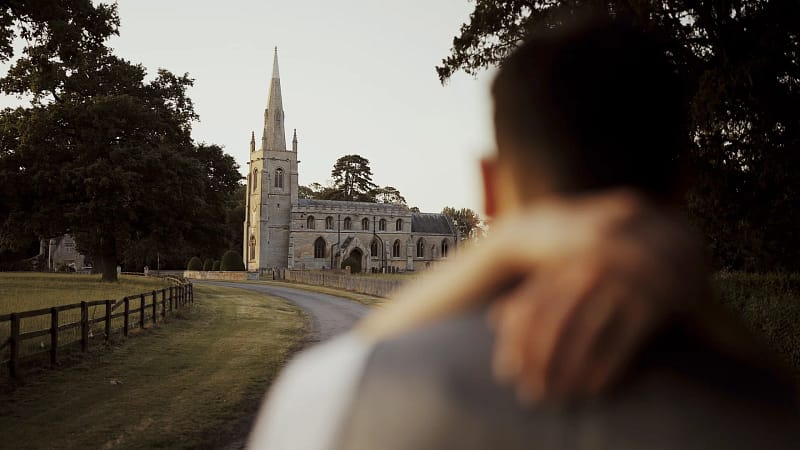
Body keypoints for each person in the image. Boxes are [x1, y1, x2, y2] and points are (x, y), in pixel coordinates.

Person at [248, 14, 799, 450]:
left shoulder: (333, 402)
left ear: (490, 186)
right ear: (682, 183)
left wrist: (502, 249)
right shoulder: (769, 411)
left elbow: (339, 373)